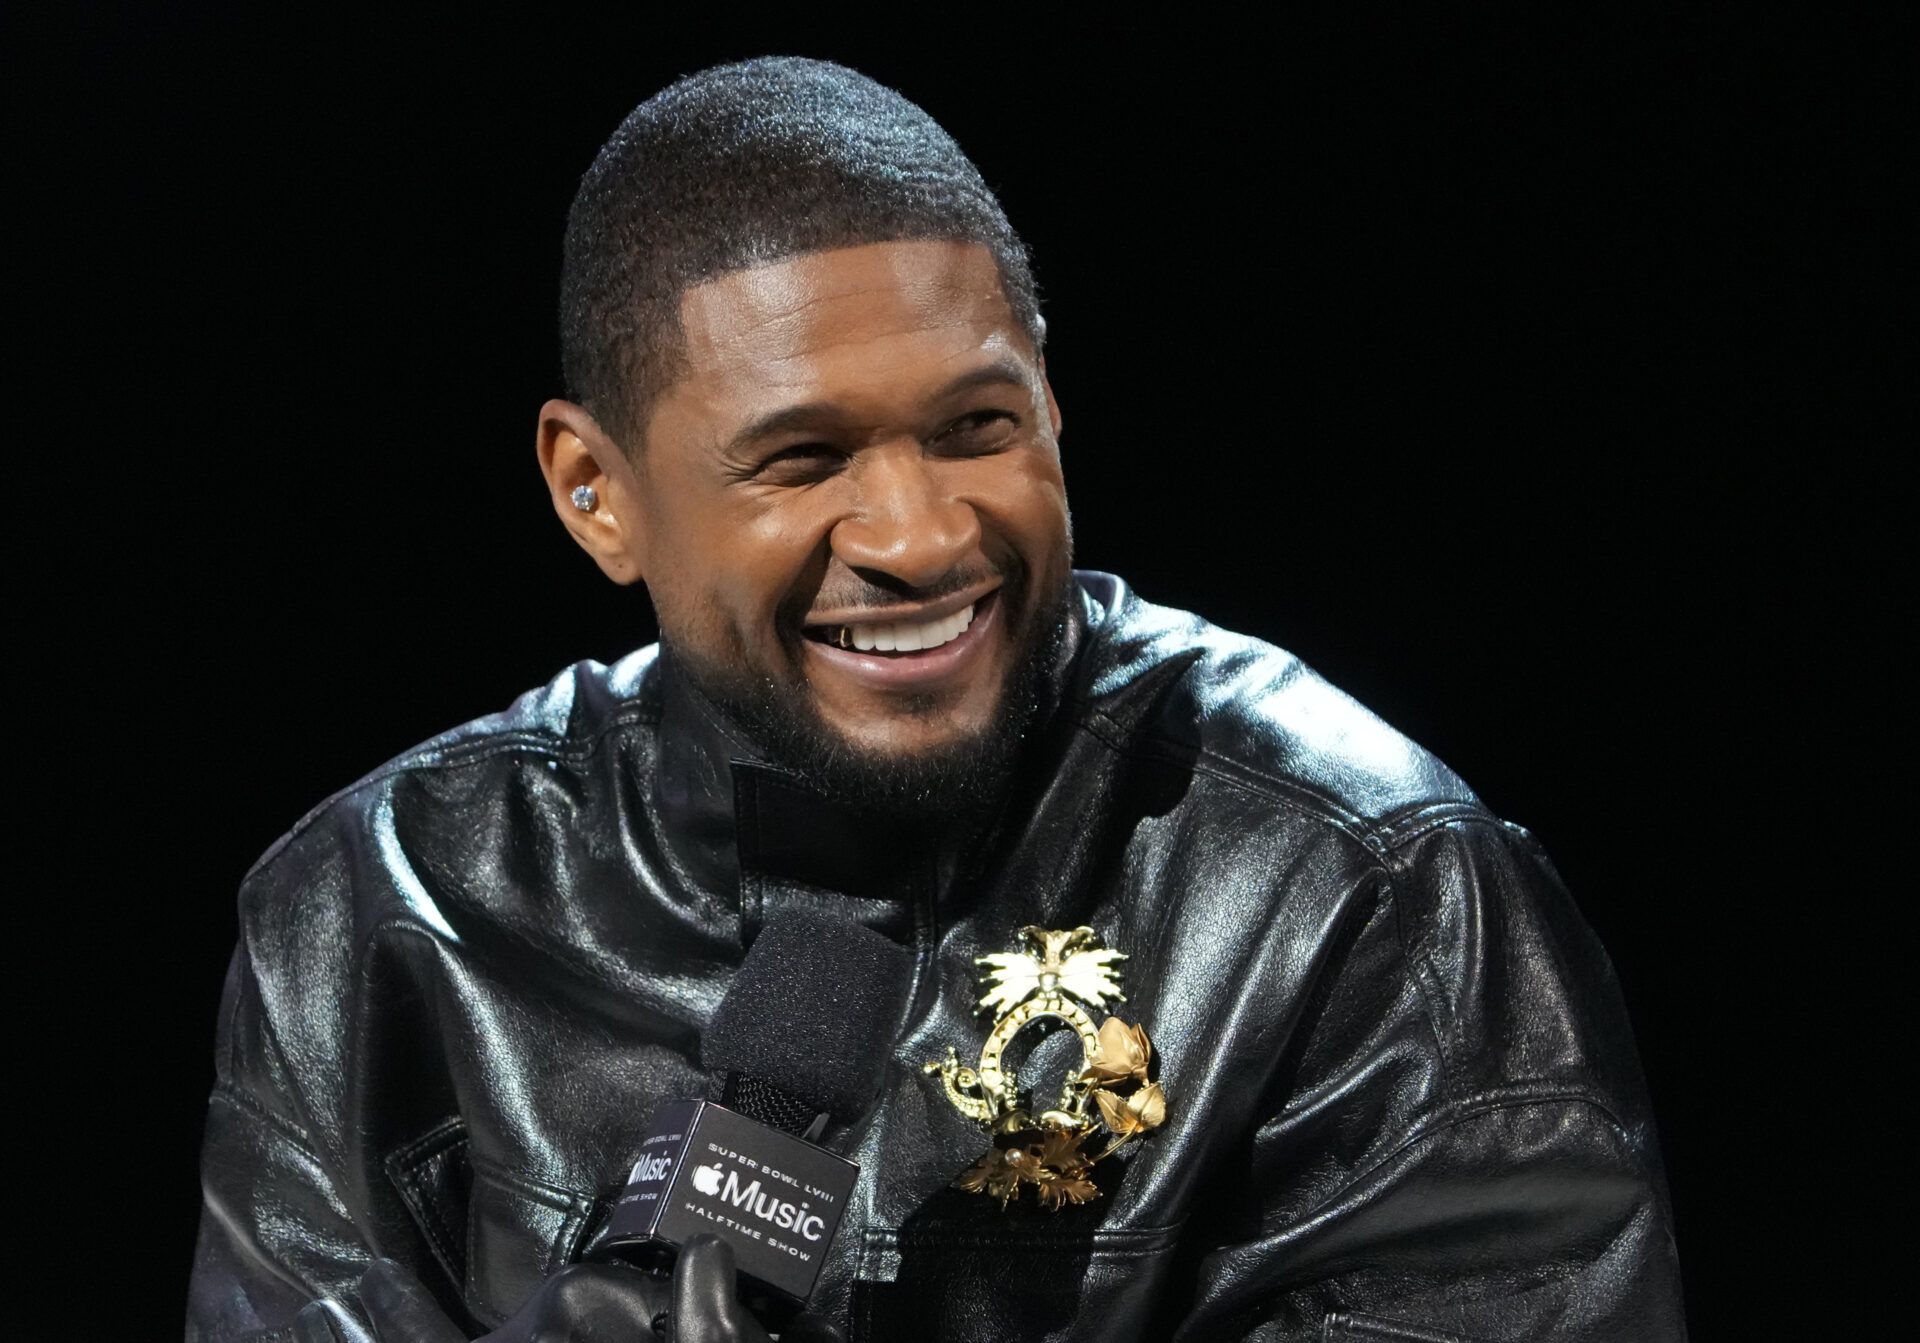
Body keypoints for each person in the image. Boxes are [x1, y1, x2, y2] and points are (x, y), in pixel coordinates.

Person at [188, 57, 1687, 1342]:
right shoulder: (374, 915)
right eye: (802, 458)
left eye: (978, 427)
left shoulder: (1367, 895)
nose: (918, 538)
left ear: (1050, 405)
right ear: (598, 494)